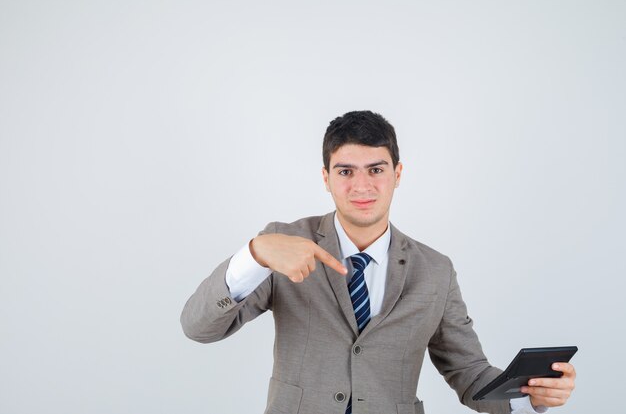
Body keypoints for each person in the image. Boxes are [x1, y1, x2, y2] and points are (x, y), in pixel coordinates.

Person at [180, 111, 576, 414]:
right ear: (326, 177)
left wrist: (530, 393)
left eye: (376, 169)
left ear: (397, 173)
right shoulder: (285, 243)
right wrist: (255, 254)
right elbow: (199, 328)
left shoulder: (435, 270)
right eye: (346, 171)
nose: (362, 186)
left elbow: (469, 372)